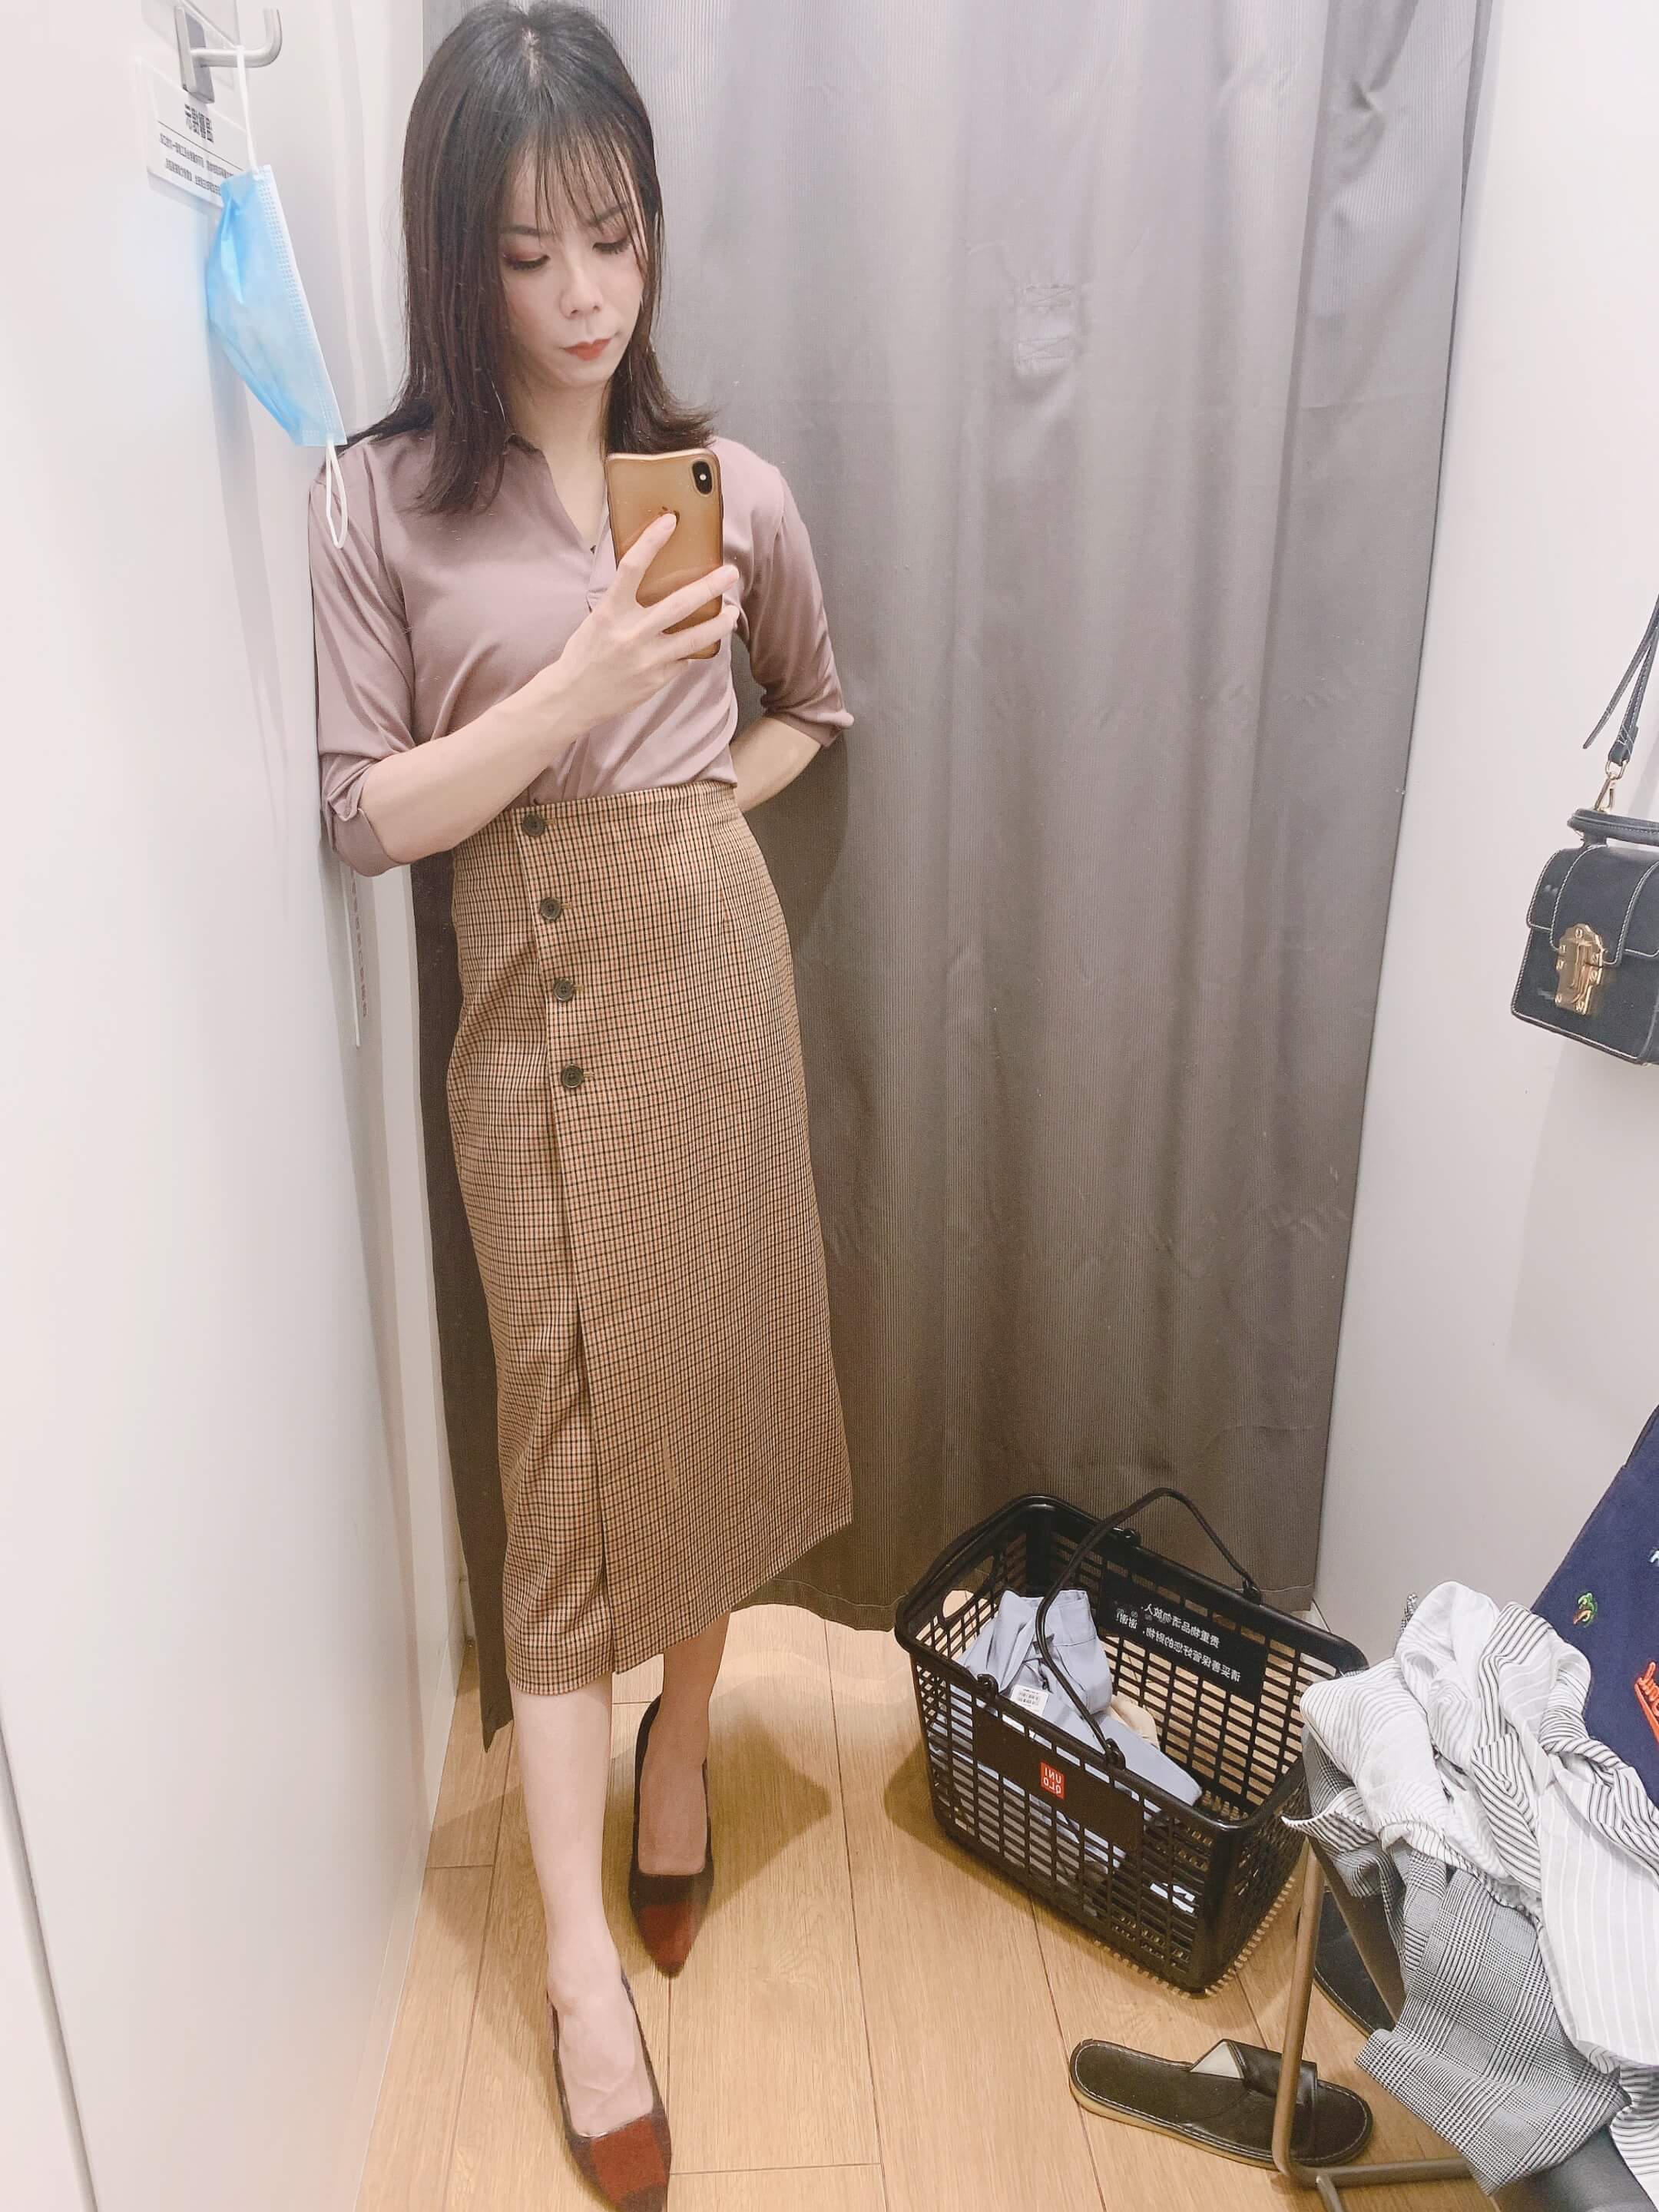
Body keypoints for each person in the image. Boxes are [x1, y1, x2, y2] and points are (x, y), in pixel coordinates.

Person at [305, 5, 856, 2200]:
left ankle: (681, 1751)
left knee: (715, 1384)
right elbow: (364, 817)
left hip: (717, 989)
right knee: (560, 1472)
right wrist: (583, 687)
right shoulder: (381, 501)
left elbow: (817, 708)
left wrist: (699, 795)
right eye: (529, 254)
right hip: (528, 1021)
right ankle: (571, 1965)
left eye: (614, 238)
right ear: (459, 258)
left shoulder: (732, 489)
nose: (583, 294)